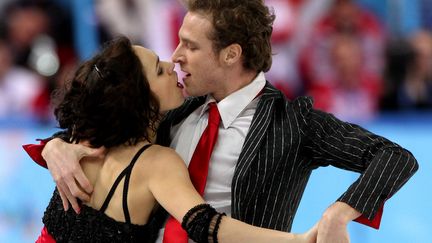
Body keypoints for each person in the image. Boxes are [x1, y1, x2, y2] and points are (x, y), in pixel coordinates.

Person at [26, 0, 418, 242]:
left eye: (190, 46)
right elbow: (106, 117)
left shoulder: (294, 123)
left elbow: (396, 157)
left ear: (231, 54)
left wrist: (340, 211)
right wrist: (56, 147)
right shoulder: (171, 108)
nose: (176, 55)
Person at [24, 36, 318, 242]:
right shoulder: (156, 163)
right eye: (158, 70)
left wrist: (54, 147)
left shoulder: (85, 138)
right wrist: (299, 240)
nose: (170, 64)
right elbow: (207, 226)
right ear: (140, 100)